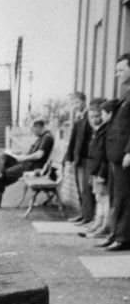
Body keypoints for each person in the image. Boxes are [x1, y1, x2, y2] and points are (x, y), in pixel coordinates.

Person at [0, 119, 55, 208]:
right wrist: (18, 154)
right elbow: (32, 153)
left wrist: (24, 158)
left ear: (38, 127)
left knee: (3, 175)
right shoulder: (41, 138)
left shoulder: (47, 138)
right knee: (4, 156)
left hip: (32, 167)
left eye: (33, 129)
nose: (32, 131)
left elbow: (39, 155)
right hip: (26, 163)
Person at [101, 54, 130, 251]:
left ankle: (122, 237)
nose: (117, 74)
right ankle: (114, 234)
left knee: (124, 198)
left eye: (121, 70)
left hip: (124, 156)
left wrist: (129, 151)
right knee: (115, 197)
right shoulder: (125, 93)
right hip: (115, 156)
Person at [78, 99, 111, 238]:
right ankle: (97, 223)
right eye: (92, 117)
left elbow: (105, 155)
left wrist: (101, 172)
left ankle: (104, 225)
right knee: (98, 197)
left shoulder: (105, 131)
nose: (95, 120)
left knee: (104, 198)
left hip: (102, 171)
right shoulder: (96, 132)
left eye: (98, 116)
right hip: (94, 170)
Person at [63, 91, 93, 223]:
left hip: (86, 157)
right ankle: (83, 213)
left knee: (86, 188)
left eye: (75, 102)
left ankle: (88, 216)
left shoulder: (89, 117)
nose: (73, 106)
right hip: (77, 158)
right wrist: (68, 157)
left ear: (82, 101)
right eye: (72, 103)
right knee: (80, 188)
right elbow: (73, 139)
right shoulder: (78, 117)